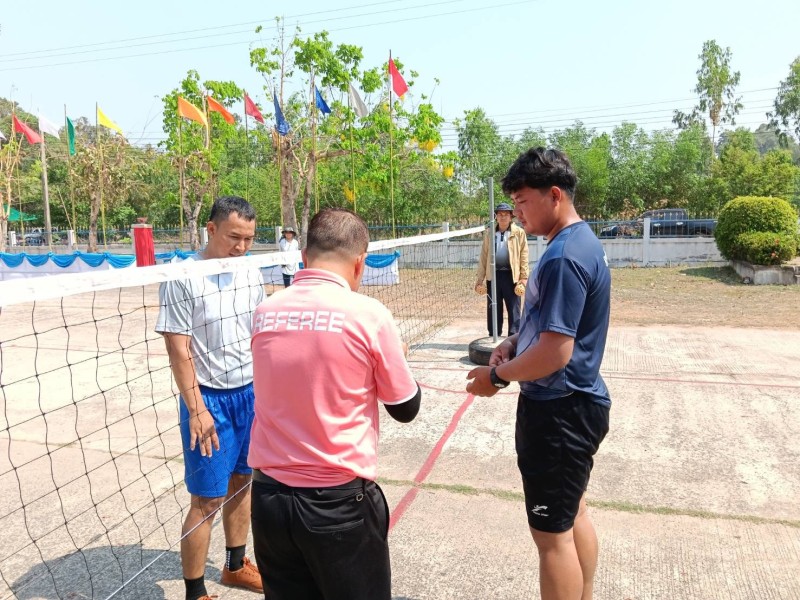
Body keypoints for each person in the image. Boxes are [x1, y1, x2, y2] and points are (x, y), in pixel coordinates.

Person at [248, 207, 421, 600]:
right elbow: (405, 408)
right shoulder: (369, 315)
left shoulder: (265, 312)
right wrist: (397, 360)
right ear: (360, 263)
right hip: (337, 504)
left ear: (304, 257)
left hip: (270, 501)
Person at [466, 148, 611, 600]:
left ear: (554, 195)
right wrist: (513, 341)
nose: (518, 213)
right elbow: (550, 328)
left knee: (552, 538)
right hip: (576, 404)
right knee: (573, 513)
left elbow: (555, 352)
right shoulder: (578, 242)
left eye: (522, 202)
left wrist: (497, 377)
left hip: (560, 412)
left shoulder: (564, 256)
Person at [156, 196, 265, 600]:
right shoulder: (183, 275)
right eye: (234, 237)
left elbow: (260, 333)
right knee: (206, 500)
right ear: (211, 229)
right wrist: (197, 408)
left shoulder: (250, 270)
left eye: (249, 238)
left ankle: (235, 566)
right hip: (209, 401)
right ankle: (195, 592)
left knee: (243, 482)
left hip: (250, 394)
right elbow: (177, 349)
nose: (241, 246)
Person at [474, 202, 529, 337]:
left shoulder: (519, 233)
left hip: (512, 276)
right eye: (500, 214)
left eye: (506, 214)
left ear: (511, 217)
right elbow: (484, 256)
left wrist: (523, 278)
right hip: (493, 275)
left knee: (514, 308)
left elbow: (524, 255)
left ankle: (514, 337)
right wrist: (480, 279)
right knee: (493, 306)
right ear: (496, 217)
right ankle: (494, 334)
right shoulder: (489, 233)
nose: (503, 217)